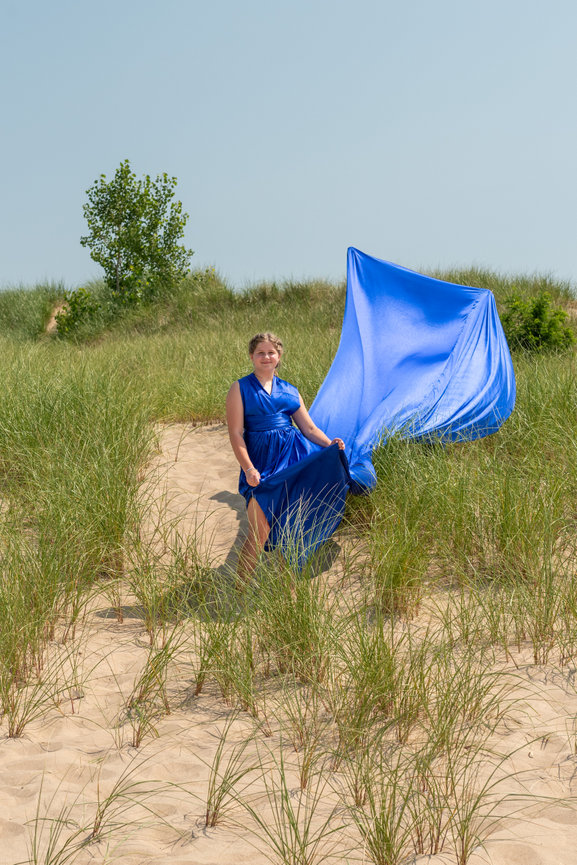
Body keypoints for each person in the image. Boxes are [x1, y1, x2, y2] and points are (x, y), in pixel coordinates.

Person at [226, 332, 347, 579]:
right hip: (260, 466)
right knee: (259, 532)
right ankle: (239, 592)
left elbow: (309, 429)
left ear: (279, 356)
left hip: (292, 462)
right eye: (260, 352)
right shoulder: (240, 388)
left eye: (271, 352)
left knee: (290, 529)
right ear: (251, 356)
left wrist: (330, 443)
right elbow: (236, 433)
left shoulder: (290, 390)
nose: (266, 357)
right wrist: (248, 468)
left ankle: (288, 593)